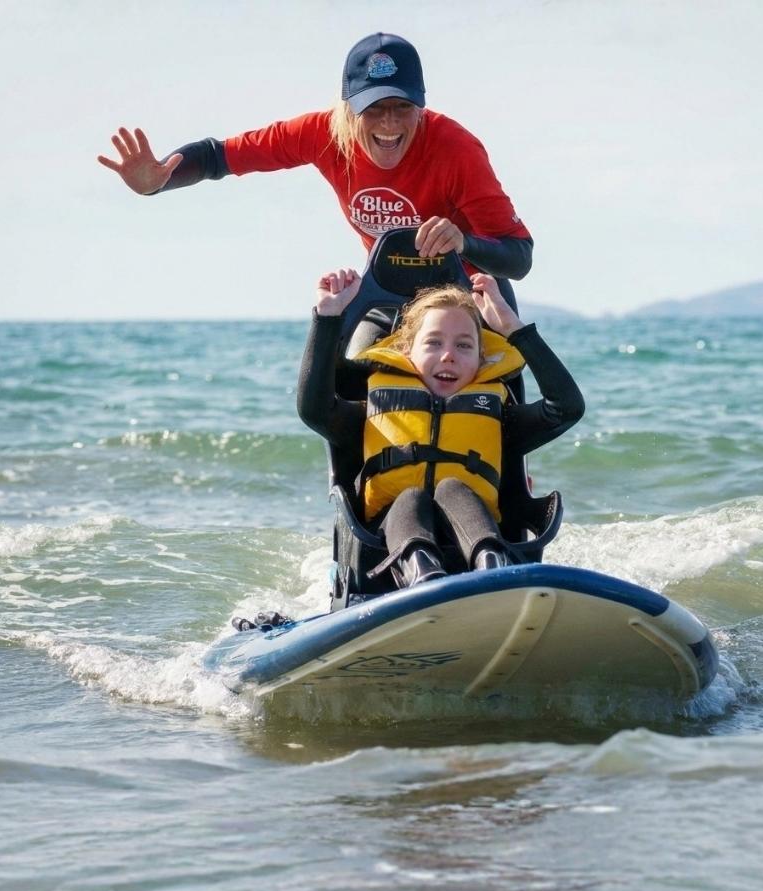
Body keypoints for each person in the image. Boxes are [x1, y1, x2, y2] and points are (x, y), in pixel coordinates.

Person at [97, 32, 532, 343]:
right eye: (374, 109)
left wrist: (463, 243)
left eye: (402, 108)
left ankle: (511, 472)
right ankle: (349, 476)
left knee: (500, 384)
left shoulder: (455, 148)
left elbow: (518, 257)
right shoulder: (322, 133)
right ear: (348, 107)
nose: (390, 124)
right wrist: (159, 182)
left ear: (421, 104)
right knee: (343, 367)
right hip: (388, 288)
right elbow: (218, 157)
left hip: (467, 290)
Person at [298, 269, 584, 588]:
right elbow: (315, 409)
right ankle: (420, 570)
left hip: (478, 548)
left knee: (453, 488)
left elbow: (567, 407)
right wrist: (327, 317)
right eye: (433, 343)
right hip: (388, 558)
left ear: (481, 358)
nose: (448, 355)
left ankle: (492, 564)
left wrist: (515, 330)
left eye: (464, 346)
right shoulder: (371, 414)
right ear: (406, 350)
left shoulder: (499, 417)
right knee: (411, 497)